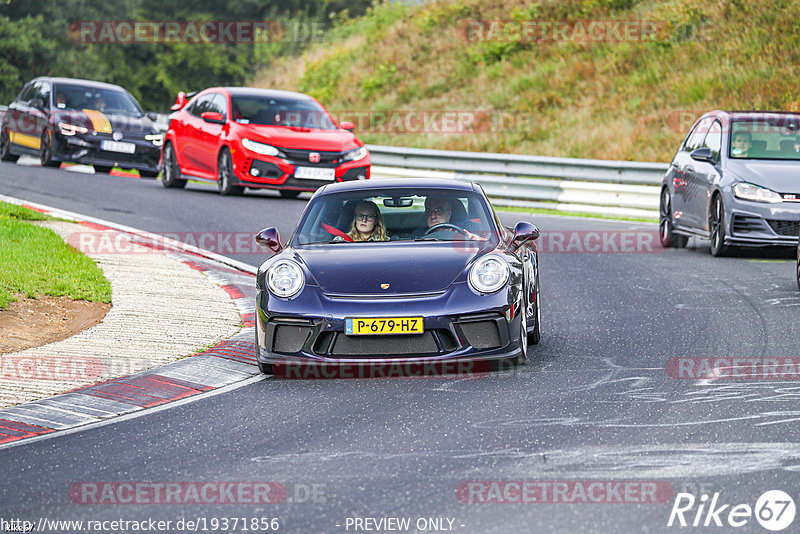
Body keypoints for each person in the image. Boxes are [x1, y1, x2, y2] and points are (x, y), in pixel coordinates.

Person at [419, 196, 484, 240]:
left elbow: (490, 241)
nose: (433, 216)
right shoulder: (418, 233)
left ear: (449, 213)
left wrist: (475, 239)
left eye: (438, 211)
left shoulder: (469, 227)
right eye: (429, 211)